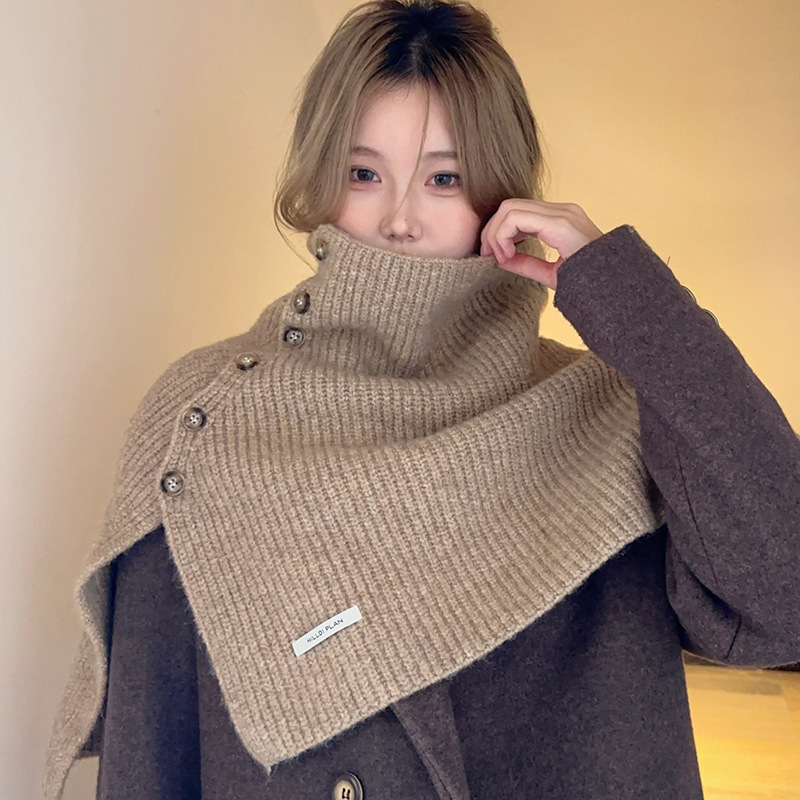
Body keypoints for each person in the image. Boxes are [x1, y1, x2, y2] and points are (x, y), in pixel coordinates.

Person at [43, 1, 800, 799]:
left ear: (500, 196)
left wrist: (622, 291)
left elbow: (782, 597)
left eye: (445, 178)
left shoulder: (604, 415)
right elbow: (149, 748)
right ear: (318, 181)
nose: (400, 219)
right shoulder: (201, 422)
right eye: (363, 174)